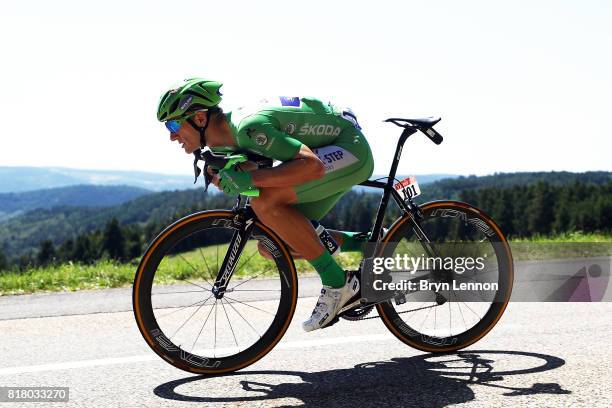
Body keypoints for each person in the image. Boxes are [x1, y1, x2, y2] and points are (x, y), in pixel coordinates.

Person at [157, 78, 374, 331]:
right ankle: (366, 243)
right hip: (330, 147)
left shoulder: (249, 127)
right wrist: (233, 172)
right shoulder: (226, 134)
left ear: (200, 118)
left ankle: (339, 285)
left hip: (350, 149)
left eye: (173, 124)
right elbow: (260, 165)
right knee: (272, 244)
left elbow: (311, 166)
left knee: (266, 203)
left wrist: (247, 179)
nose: (172, 136)